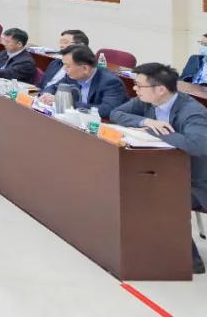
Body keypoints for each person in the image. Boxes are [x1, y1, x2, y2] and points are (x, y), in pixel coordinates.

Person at [110, 63, 207, 274]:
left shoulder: (192, 112)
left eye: (139, 85)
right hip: (170, 172)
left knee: (157, 195)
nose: (134, 89)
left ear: (161, 89)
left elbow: (199, 146)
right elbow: (116, 113)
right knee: (130, 186)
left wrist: (155, 132)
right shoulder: (147, 102)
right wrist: (147, 121)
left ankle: (190, 260)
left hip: (198, 182)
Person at [38, 45, 127, 118]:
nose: (65, 69)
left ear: (85, 68)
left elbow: (107, 110)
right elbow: (53, 87)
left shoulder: (110, 82)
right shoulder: (72, 75)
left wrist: (69, 103)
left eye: (68, 66)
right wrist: (46, 95)